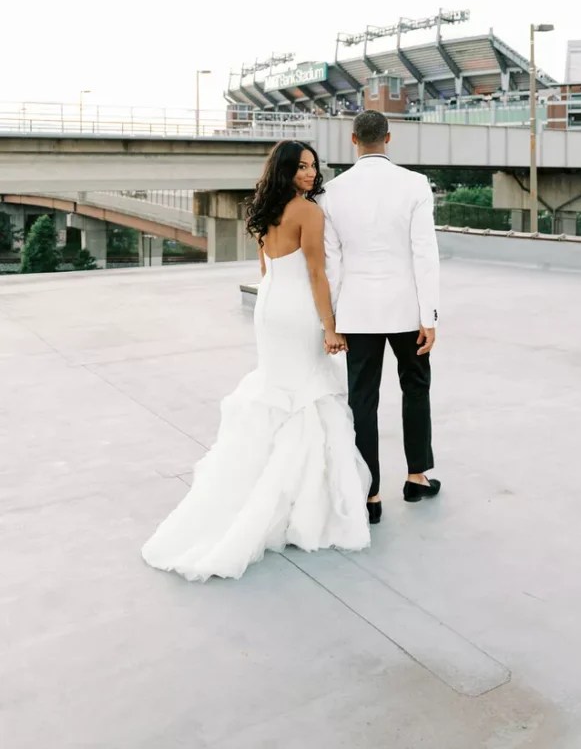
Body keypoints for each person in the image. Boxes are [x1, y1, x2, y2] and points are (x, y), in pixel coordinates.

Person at [141, 140, 371, 581]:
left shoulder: (265, 210)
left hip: (269, 311)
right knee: (306, 396)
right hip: (298, 310)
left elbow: (267, 270)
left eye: (313, 166)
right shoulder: (309, 212)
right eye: (302, 167)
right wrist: (330, 326)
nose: (310, 173)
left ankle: (258, 493)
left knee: (278, 391)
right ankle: (298, 505)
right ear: (286, 170)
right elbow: (317, 275)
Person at [318, 109, 441, 526]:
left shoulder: (331, 193)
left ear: (354, 141)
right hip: (407, 309)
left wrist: (331, 321)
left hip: (356, 312)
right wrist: (430, 316)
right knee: (416, 387)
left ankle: (369, 494)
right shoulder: (415, 184)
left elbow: (331, 265)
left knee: (362, 401)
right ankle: (416, 476)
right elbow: (424, 252)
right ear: (389, 138)